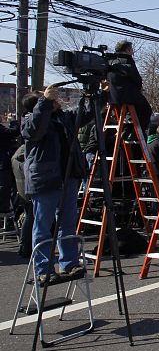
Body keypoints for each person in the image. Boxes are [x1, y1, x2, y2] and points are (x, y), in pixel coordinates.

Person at [21, 87, 94, 283]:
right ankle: (43, 269)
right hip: (45, 179)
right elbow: (36, 131)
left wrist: (98, 96)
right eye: (52, 100)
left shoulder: (62, 118)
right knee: (43, 226)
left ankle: (68, 262)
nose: (57, 101)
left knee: (68, 223)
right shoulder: (30, 120)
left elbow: (85, 115)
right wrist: (44, 102)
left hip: (68, 176)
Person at [107, 40, 152, 135]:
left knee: (130, 114)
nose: (132, 51)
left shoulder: (110, 60)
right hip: (128, 96)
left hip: (113, 97)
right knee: (147, 111)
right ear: (127, 49)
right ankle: (133, 133)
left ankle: (126, 130)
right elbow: (137, 80)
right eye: (131, 49)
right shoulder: (127, 60)